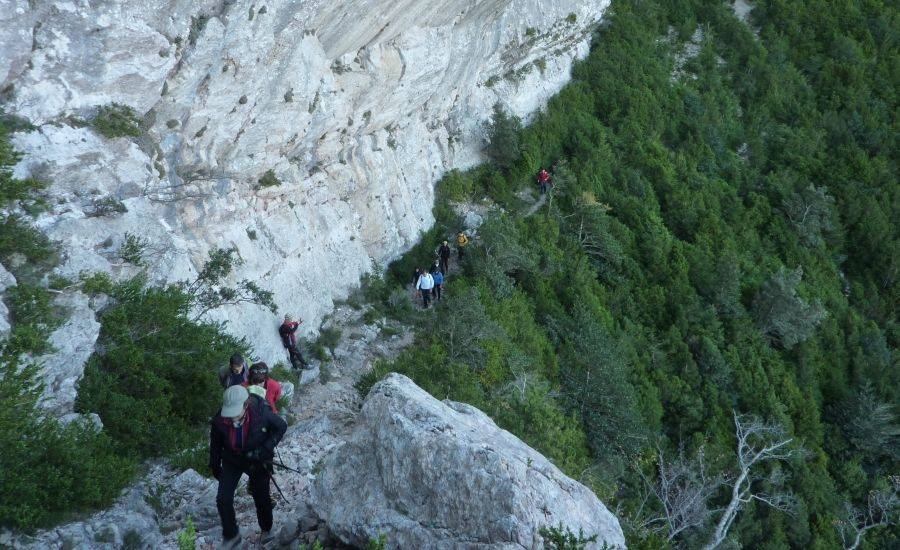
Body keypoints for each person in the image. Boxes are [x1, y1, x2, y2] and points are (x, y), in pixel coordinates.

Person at [210, 385, 287, 549]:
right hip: (233, 459)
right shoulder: (220, 420)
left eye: (235, 413)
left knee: (262, 498)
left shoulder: (262, 414)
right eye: (229, 413)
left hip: (257, 459)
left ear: (246, 406)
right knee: (223, 499)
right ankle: (231, 535)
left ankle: (266, 528)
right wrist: (215, 466)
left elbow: (281, 426)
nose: (231, 418)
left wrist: (264, 449)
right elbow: (215, 444)